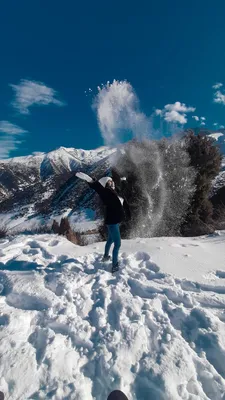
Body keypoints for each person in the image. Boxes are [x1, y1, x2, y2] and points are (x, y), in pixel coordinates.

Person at [76, 172, 131, 273]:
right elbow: (98, 188)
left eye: (112, 181)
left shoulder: (115, 192)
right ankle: (114, 266)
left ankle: (106, 257)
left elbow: (122, 194)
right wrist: (91, 181)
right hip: (113, 222)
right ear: (106, 184)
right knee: (117, 244)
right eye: (110, 182)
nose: (112, 183)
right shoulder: (106, 192)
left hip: (115, 221)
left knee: (110, 240)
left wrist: (123, 181)